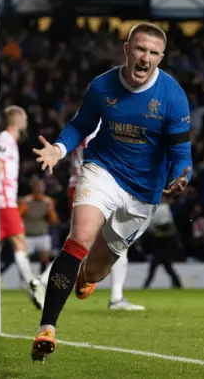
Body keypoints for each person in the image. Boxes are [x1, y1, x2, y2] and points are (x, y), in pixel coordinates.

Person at [30, 22, 192, 362]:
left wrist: (179, 178)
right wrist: (58, 150)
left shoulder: (172, 95)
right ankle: (47, 328)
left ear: (161, 57)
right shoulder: (102, 86)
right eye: (139, 49)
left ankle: (86, 277)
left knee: (93, 273)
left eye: (153, 52)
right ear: (126, 49)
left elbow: (181, 152)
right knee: (79, 238)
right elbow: (80, 125)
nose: (145, 57)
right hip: (102, 171)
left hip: (144, 193)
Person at [63, 125, 145, 311]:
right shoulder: (100, 129)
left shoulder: (82, 127)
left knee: (85, 242)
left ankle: (45, 282)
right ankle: (116, 298)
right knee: (109, 240)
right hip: (96, 186)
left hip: (81, 185)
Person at [0, 106, 45, 310]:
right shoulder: (5, 140)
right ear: (17, 119)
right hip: (3, 202)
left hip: (3, 201)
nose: (26, 121)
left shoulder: (10, 141)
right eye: (25, 117)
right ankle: (32, 284)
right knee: (19, 241)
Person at [19, 175, 59, 274]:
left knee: (44, 255)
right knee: (25, 258)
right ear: (33, 188)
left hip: (42, 233)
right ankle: (28, 278)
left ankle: (42, 276)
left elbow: (54, 221)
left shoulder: (48, 202)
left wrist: (50, 209)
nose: (39, 190)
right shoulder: (26, 201)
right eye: (37, 187)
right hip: (28, 235)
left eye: (41, 187)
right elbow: (19, 216)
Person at [142, 195, 183, 289]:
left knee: (156, 269)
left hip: (162, 250)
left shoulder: (164, 213)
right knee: (167, 270)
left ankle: (145, 287)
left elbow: (168, 232)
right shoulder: (163, 212)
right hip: (162, 250)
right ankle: (179, 286)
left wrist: (159, 233)